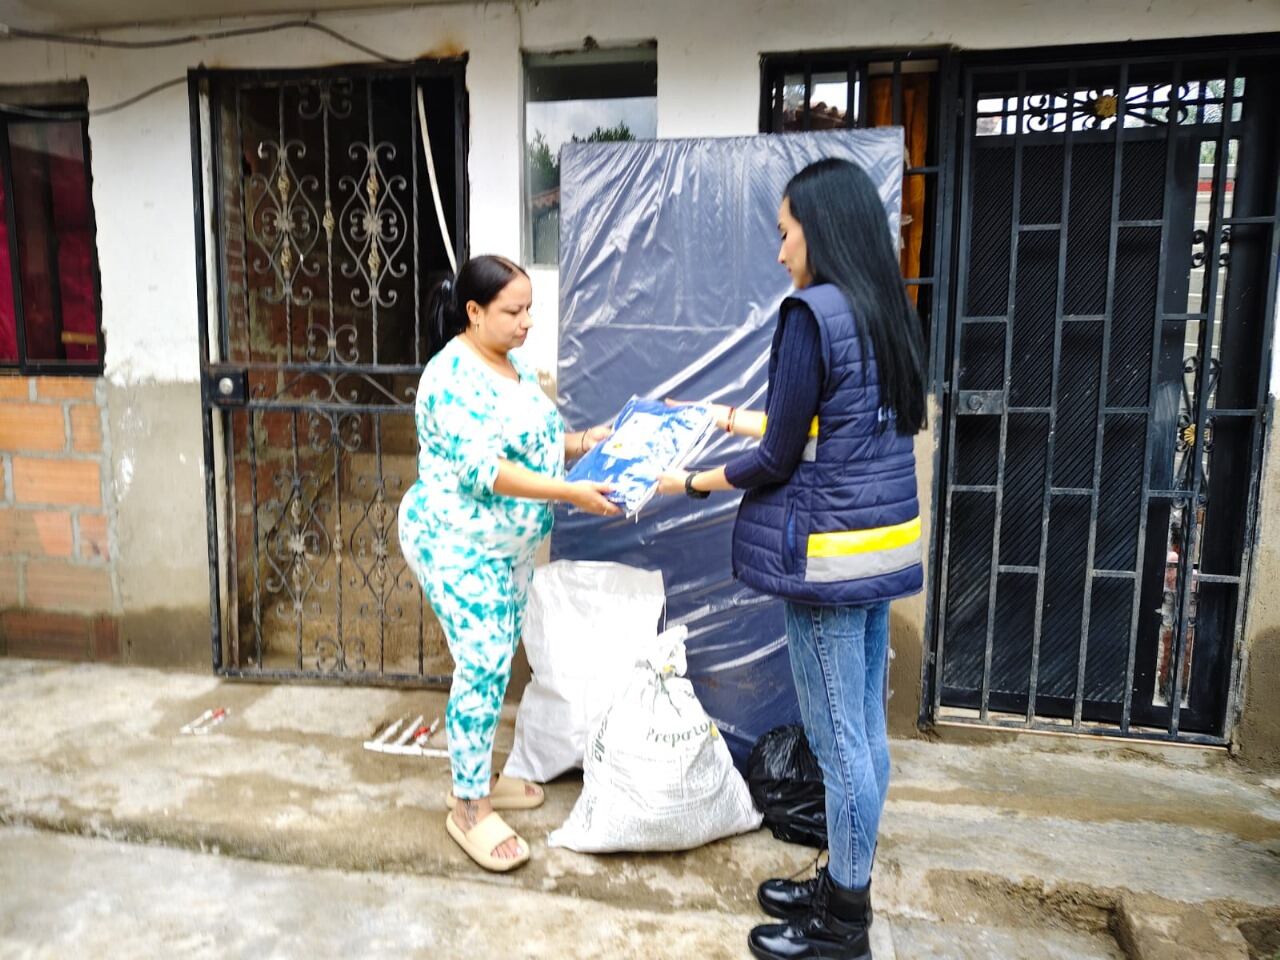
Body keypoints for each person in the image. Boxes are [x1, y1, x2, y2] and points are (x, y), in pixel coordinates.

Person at [657, 159, 926, 960]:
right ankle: (845, 881)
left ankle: (844, 924)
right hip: (876, 550)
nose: (780, 253)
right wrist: (721, 416)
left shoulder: (811, 314)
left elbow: (781, 455)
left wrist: (692, 480)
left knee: (837, 739)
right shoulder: (886, 309)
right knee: (865, 734)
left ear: (820, 225)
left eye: (785, 232)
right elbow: (821, 426)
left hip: (825, 562)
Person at [397, 254, 619, 874]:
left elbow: (534, 442)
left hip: (507, 549)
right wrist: (572, 491)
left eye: (529, 310)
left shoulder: (511, 363)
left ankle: (477, 779)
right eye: (513, 311)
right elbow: (485, 471)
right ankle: (467, 807)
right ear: (474, 312)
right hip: (456, 543)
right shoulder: (449, 379)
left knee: (494, 664)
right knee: (484, 661)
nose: (526, 323)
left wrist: (580, 443)